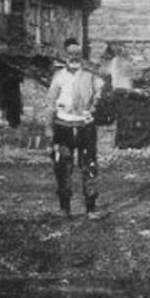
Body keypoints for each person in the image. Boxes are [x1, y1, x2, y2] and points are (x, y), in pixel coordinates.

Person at [47, 39, 108, 219]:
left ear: (81, 56)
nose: (74, 57)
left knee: (89, 166)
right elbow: (50, 102)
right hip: (63, 127)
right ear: (65, 55)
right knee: (62, 167)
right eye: (70, 53)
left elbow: (102, 94)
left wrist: (93, 108)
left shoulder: (91, 76)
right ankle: (64, 208)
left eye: (77, 54)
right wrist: (48, 128)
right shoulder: (59, 76)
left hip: (85, 127)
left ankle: (91, 208)